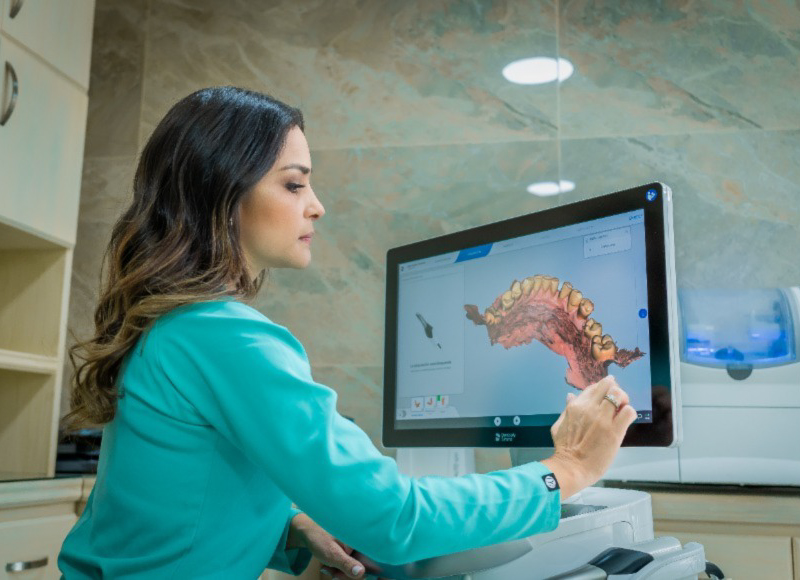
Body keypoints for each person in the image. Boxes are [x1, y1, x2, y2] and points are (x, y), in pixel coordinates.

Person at [57, 86, 637, 580]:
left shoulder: (168, 326)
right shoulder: (226, 338)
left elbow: (174, 502)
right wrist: (566, 471)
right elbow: (394, 519)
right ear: (224, 193)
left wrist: (293, 524)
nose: (317, 207)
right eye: (293, 184)